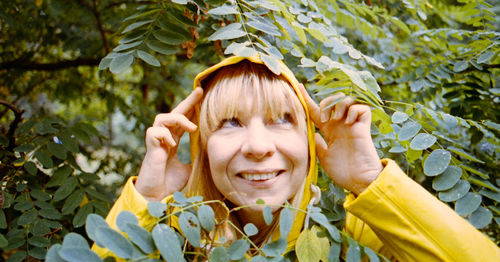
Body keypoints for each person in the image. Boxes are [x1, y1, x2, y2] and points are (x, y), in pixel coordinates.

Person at [93, 55, 500, 261]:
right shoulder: (172, 238)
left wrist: (370, 182)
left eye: (281, 120)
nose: (257, 145)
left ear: (309, 138)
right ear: (201, 145)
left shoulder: (354, 235)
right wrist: (145, 202)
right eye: (230, 123)